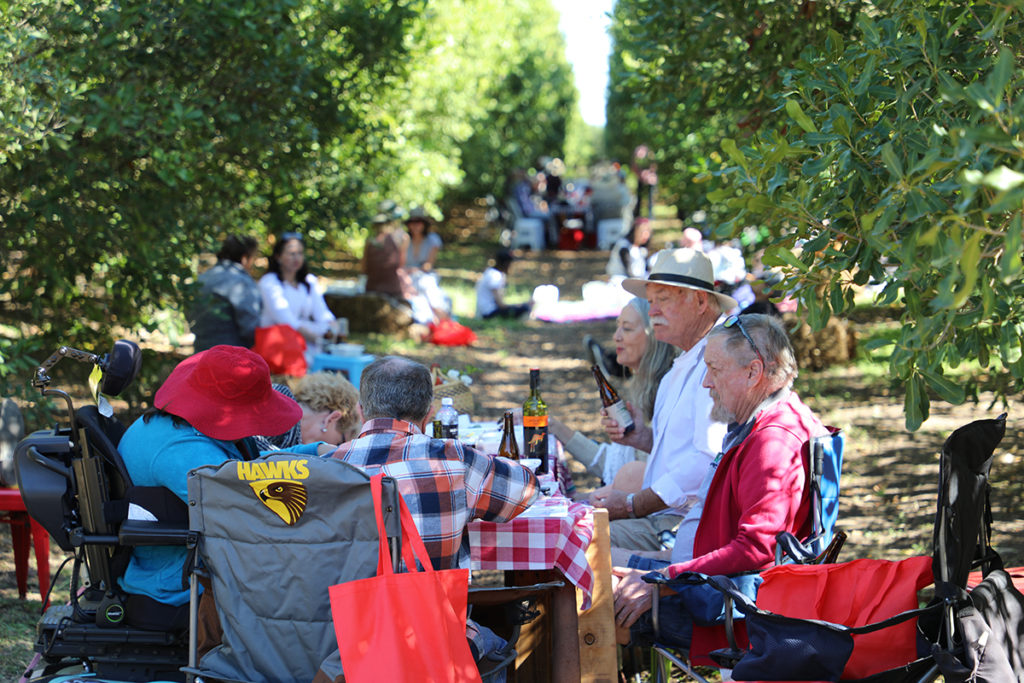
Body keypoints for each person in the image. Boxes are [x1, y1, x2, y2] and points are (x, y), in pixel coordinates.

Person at [611, 313, 827, 652]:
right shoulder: (767, 421)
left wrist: (663, 581)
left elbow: (758, 549)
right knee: (587, 559)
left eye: (715, 369)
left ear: (754, 372)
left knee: (586, 588)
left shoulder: (773, 441)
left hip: (726, 611)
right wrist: (662, 563)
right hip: (703, 584)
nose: (706, 383)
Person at [328, 356, 538, 670]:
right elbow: (527, 489)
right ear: (429, 414)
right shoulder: (454, 460)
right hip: (434, 645)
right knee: (499, 640)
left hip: (344, 648)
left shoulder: (327, 468)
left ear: (361, 410)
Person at [117, 345, 303, 628]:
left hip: (179, 567)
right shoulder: (185, 451)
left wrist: (319, 454)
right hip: (182, 584)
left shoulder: (174, 426)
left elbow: (247, 466)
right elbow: (250, 507)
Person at [593, 248, 733, 552]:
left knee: (572, 541)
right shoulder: (681, 365)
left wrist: (632, 504)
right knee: (567, 529)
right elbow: (684, 451)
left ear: (699, 301)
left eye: (664, 299)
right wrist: (643, 437)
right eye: (651, 301)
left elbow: (707, 460)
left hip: (686, 528)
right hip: (666, 518)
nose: (653, 310)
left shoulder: (718, 363)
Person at [551, 298, 676, 487]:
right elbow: (613, 465)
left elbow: (647, 485)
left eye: (626, 328)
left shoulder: (668, 395)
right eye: (618, 327)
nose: (616, 336)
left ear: (654, 335)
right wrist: (553, 426)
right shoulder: (641, 389)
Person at [258, 232, 338, 363]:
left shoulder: (309, 282)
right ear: (278, 257)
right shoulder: (269, 282)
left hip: (308, 339)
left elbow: (322, 313)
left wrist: (332, 326)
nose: (297, 258)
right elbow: (286, 320)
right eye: (291, 254)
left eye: (300, 253)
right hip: (280, 342)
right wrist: (318, 336)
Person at [188, 234, 262, 351]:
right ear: (245, 258)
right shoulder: (241, 282)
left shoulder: (203, 279)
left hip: (200, 353)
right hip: (231, 356)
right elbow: (250, 327)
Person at [405, 206, 452, 318]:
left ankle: (442, 316)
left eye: (419, 222)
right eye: (413, 222)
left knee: (427, 287)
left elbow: (428, 265)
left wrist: (415, 270)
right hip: (406, 276)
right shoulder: (404, 239)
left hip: (424, 275)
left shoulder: (432, 240)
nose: (416, 226)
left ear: (424, 224)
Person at [475, 249, 531, 319]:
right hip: (488, 313)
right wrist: (518, 306)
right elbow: (501, 304)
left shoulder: (490, 272)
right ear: (506, 264)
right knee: (524, 308)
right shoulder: (495, 276)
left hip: (483, 311)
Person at [606, 217, 652, 281]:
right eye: (643, 232)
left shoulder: (641, 248)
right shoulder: (623, 246)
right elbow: (629, 270)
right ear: (636, 231)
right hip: (620, 280)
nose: (646, 236)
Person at [631, 144, 658, 219]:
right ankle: (638, 214)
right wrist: (640, 175)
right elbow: (634, 167)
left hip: (650, 179)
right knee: (639, 197)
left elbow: (654, 166)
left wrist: (648, 174)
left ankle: (650, 215)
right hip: (641, 178)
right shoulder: (637, 157)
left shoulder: (650, 156)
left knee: (650, 197)